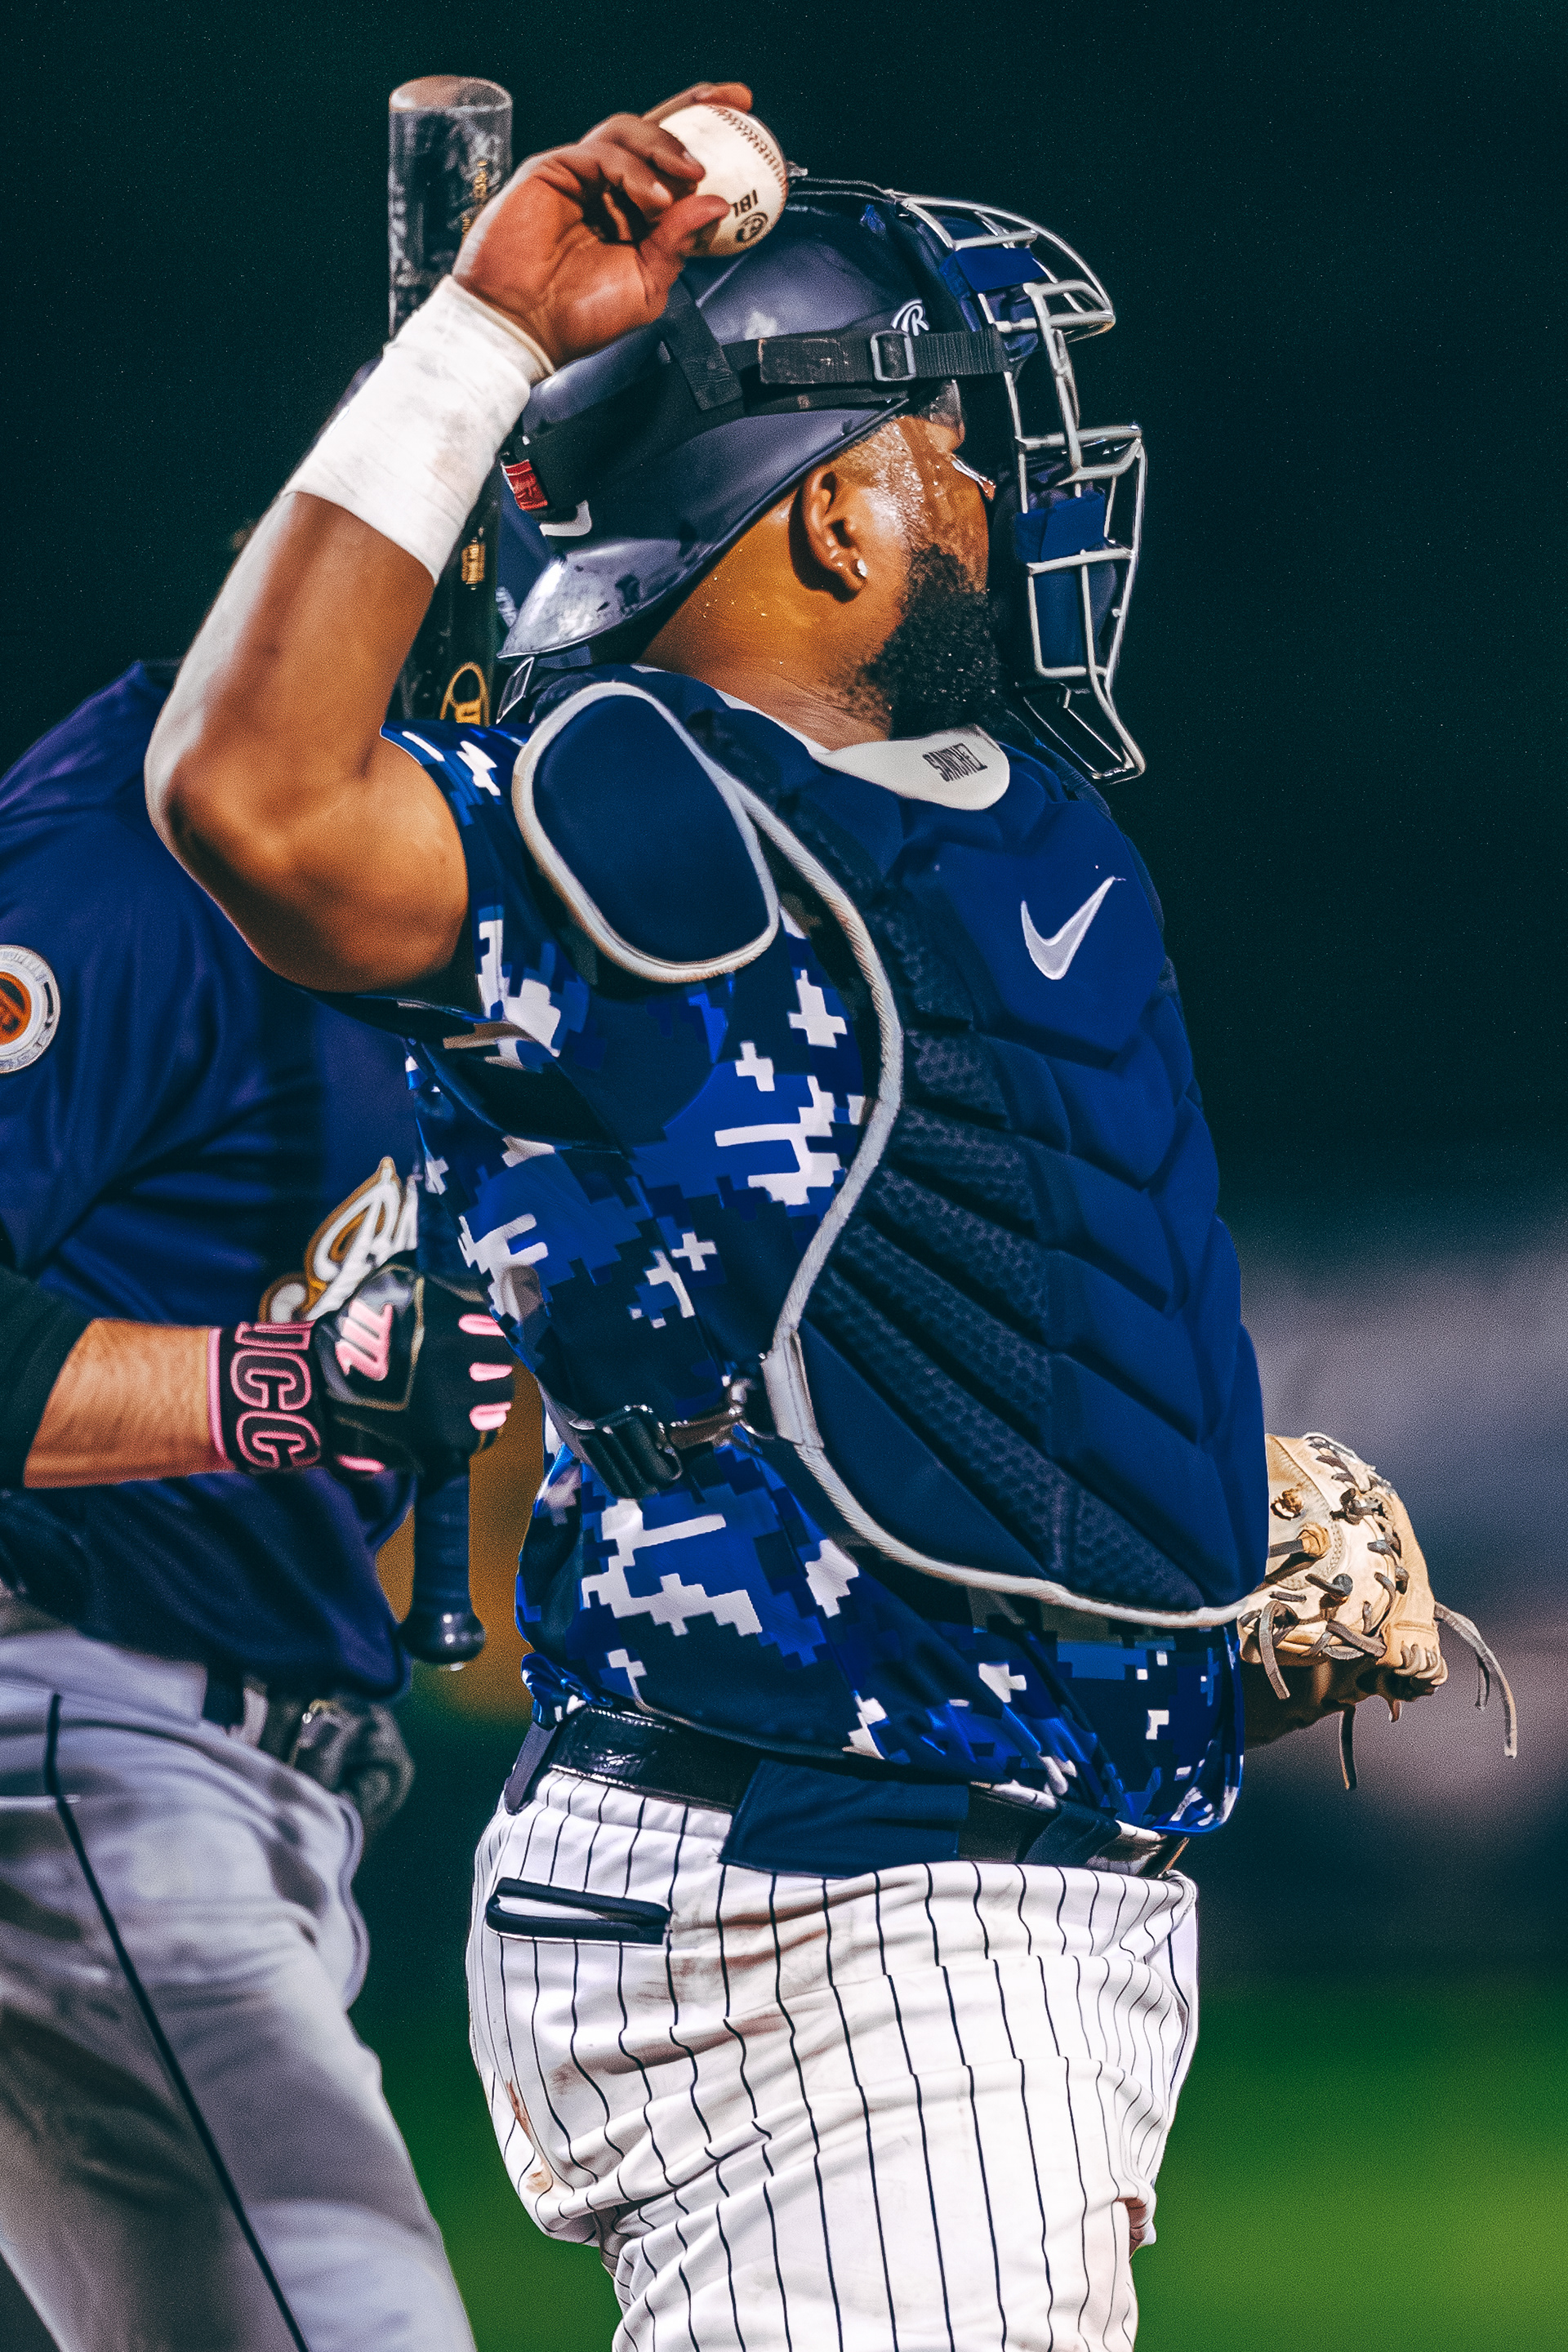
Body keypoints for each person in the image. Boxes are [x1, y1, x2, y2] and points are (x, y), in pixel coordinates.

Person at [145, 82, 1465, 2350]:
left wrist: (1132, 1595)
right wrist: (486, 335)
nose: (992, 490)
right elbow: (250, 796)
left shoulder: (918, 829)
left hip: (890, 1885)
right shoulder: (644, 817)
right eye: (941, 446)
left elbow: (828, 1304)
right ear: (833, 514)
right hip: (856, 1925)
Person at [0, 659, 512, 2352]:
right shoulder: (124, 861)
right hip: (75, 1723)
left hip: (228, 1774)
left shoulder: (443, 889)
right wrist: (296, 1383)